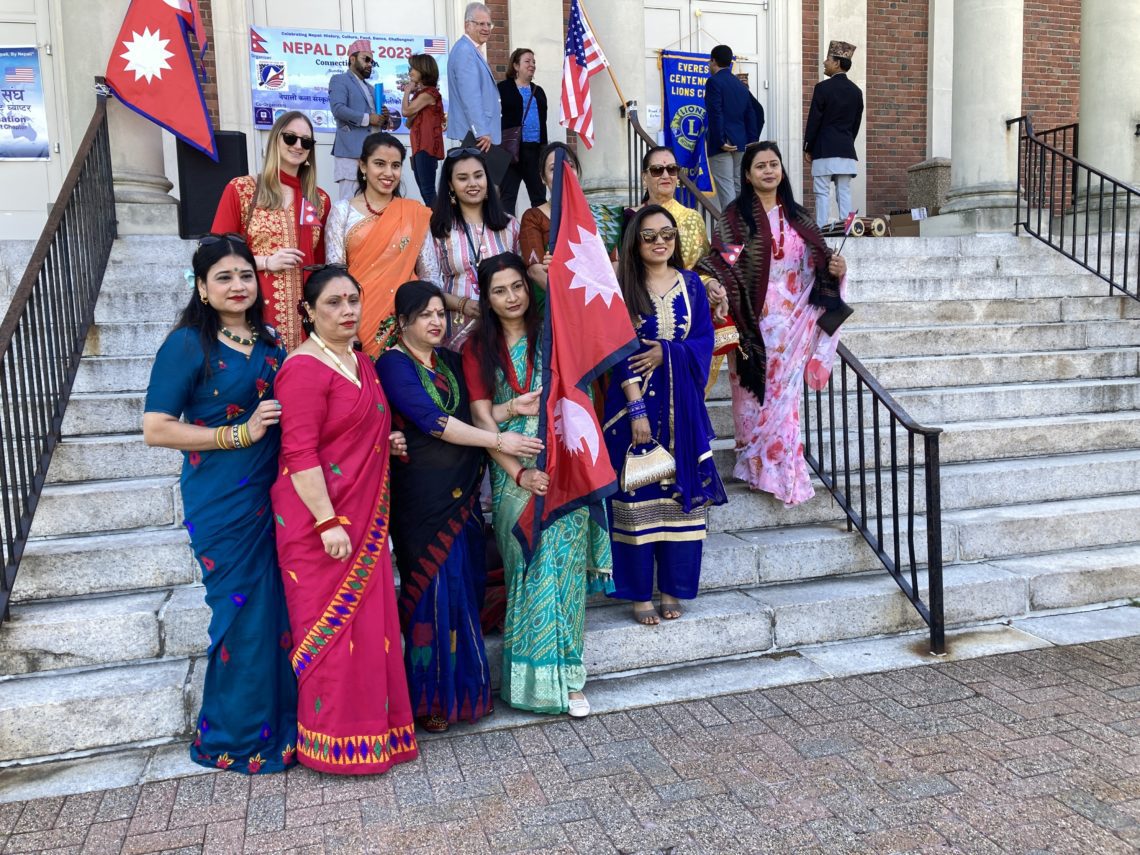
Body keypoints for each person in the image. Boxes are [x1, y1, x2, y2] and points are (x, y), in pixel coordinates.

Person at [142, 234, 296, 774]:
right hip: (222, 498)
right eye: (224, 277)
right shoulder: (187, 344)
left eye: (246, 275)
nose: (238, 286)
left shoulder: (272, 342)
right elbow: (157, 429)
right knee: (241, 613)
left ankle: (285, 725)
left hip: (275, 493)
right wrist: (239, 434)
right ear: (203, 289)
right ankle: (233, 736)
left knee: (277, 610)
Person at [376, 280, 544, 733]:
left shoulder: (449, 362)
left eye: (440, 313)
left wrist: (508, 409)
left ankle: (463, 695)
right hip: (423, 501)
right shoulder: (393, 364)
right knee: (430, 595)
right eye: (425, 315)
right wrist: (498, 439)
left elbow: (474, 412)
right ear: (403, 321)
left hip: (464, 495)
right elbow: (433, 421)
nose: (436, 322)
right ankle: (428, 698)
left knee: (463, 590)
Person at [270, 266, 418, 775]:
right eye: (333, 303)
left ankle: (376, 733)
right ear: (308, 311)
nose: (347, 311)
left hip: (365, 518)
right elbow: (300, 454)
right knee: (331, 633)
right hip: (322, 524)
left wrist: (387, 441)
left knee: (370, 627)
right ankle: (332, 744)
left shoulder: (362, 361)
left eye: (353, 300)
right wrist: (327, 522)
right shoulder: (302, 369)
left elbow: (364, 426)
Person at [462, 253, 613, 718]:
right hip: (513, 473)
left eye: (517, 287)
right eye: (500, 290)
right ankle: (528, 682)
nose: (512, 297)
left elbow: (582, 311)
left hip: (565, 462)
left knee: (562, 573)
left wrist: (546, 271)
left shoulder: (554, 333)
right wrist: (518, 470)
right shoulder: (475, 349)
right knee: (529, 571)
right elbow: (481, 419)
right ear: (486, 299)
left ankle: (569, 677)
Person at [696, 142, 849, 506]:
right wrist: (714, 283)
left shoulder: (799, 217)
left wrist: (838, 270)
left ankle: (783, 470)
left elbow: (822, 261)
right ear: (747, 175)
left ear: (782, 171)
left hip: (793, 322)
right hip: (752, 319)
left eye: (774, 164)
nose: (768, 171)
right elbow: (719, 260)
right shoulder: (735, 219)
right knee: (750, 397)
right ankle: (754, 467)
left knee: (785, 401)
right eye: (760, 166)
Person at [605, 206, 727, 624]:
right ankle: (640, 595)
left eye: (668, 235)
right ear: (635, 242)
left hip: (682, 411)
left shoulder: (692, 284)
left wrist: (667, 352)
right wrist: (635, 407)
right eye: (650, 235)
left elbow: (705, 341)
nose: (660, 242)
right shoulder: (623, 286)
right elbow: (617, 350)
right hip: (632, 407)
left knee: (679, 498)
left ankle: (673, 588)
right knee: (637, 496)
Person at [211, 111, 331, 351]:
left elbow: (319, 263)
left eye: (306, 142)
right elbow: (215, 255)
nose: (298, 145)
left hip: (305, 318)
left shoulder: (319, 200)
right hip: (253, 308)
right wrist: (266, 261)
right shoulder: (243, 190)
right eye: (290, 138)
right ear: (275, 139)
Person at [324, 133, 433, 356]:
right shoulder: (343, 212)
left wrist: (424, 319)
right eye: (379, 164)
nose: (388, 173)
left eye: (395, 165)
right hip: (357, 323)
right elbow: (335, 277)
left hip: (407, 323)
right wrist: (348, 328)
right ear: (363, 166)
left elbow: (430, 276)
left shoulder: (414, 213)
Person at [421, 147, 520, 350]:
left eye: (478, 176)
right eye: (463, 178)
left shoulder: (509, 225)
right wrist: (462, 304)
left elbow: (522, 279)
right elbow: (428, 287)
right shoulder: (437, 230)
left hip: (506, 331)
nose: (472, 184)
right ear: (451, 184)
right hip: (457, 334)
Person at [518, 142, 622, 297]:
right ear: (543, 178)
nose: (563, 172)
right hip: (556, 306)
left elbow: (614, 263)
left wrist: (596, 296)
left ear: (577, 172)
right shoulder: (533, 217)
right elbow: (536, 270)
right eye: (554, 169)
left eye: (570, 166)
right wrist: (571, 302)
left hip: (598, 302)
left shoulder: (601, 214)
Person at [803, 40, 864, 228]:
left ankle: (822, 232)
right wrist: (846, 141)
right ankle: (847, 230)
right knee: (844, 191)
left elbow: (814, 121)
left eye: (828, 59)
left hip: (824, 148)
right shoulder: (856, 91)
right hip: (845, 148)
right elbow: (856, 123)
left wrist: (808, 146)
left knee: (822, 193)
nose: (824, 62)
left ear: (837, 62)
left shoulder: (822, 88)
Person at [627, 146, 709, 270]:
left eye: (672, 169)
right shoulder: (629, 217)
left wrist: (709, 282)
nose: (666, 175)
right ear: (644, 177)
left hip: (684, 286)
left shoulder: (691, 218)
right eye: (657, 170)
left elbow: (702, 268)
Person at [704, 44, 763, 213]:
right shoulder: (739, 84)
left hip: (723, 143)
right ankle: (743, 226)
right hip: (741, 141)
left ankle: (732, 230)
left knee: (726, 186)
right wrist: (752, 141)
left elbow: (715, 112)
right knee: (738, 184)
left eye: (710, 62)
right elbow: (752, 113)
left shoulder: (713, 82)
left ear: (713, 61)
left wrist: (720, 139)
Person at [329, 40, 390, 202]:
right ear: (352, 59)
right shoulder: (339, 79)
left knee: (371, 204)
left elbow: (377, 121)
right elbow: (338, 109)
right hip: (351, 153)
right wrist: (368, 118)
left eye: (372, 61)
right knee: (349, 204)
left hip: (373, 154)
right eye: (366, 59)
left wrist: (384, 117)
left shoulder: (371, 88)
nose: (370, 64)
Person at [497, 48, 548, 216]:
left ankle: (543, 235)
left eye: (533, 62)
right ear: (516, 66)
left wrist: (544, 150)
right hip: (511, 151)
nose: (532, 65)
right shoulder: (503, 89)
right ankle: (506, 237)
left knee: (539, 196)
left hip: (535, 151)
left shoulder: (539, 91)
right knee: (507, 197)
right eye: (527, 61)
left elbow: (543, 123)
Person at [447, 3, 501, 153]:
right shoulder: (465, 51)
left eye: (489, 24)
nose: (486, 28)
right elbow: (471, 96)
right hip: (476, 136)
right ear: (467, 25)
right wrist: (482, 131)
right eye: (481, 24)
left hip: (476, 134)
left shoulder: (470, 49)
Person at [401, 54, 446, 207]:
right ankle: (435, 223)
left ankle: (439, 225)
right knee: (424, 189)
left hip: (426, 147)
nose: (410, 72)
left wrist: (407, 91)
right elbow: (408, 122)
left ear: (423, 70)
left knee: (428, 190)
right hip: (419, 146)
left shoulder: (429, 93)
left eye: (413, 68)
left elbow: (406, 112)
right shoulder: (421, 95)